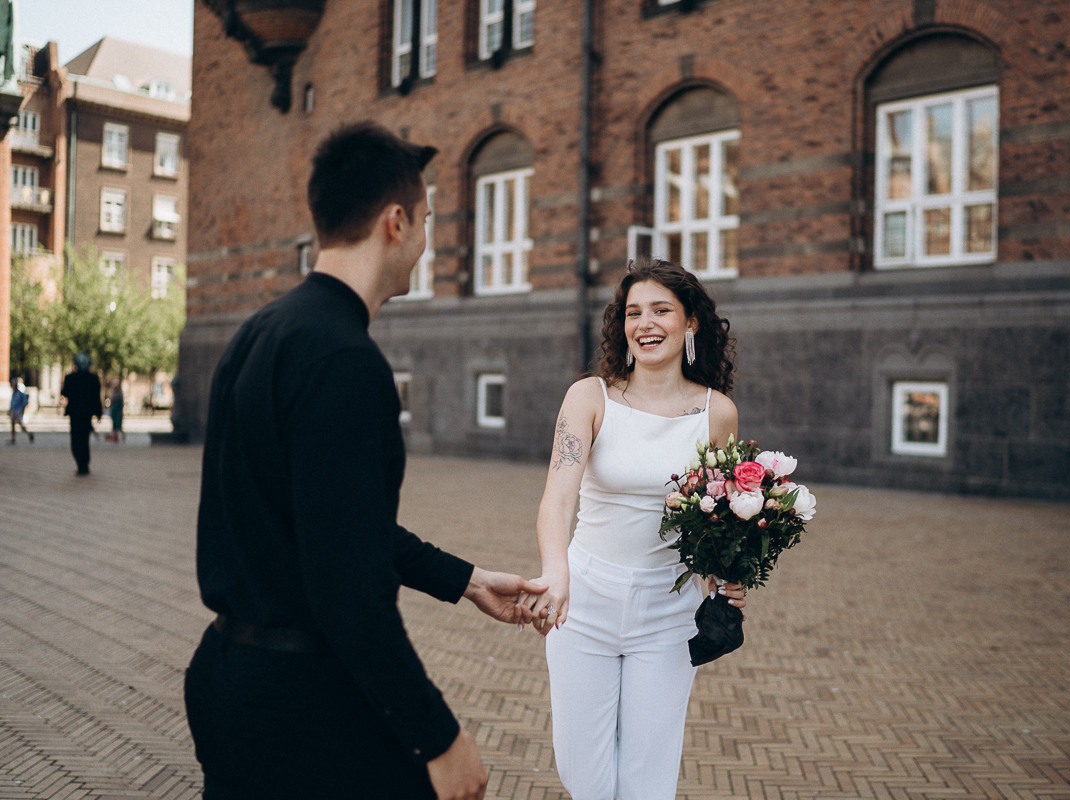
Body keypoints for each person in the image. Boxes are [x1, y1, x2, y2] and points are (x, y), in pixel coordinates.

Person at [184, 122, 547, 800]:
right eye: (428, 223)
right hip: (306, 712)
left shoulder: (260, 333)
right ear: (395, 222)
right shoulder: (346, 362)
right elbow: (348, 590)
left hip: (228, 681)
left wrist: (464, 579)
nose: (426, 243)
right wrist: (439, 738)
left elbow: (331, 521)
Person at [524, 257, 748, 800]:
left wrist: (724, 577)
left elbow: (714, 517)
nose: (645, 323)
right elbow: (558, 496)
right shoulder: (590, 398)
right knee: (587, 778)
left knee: (647, 783)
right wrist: (556, 573)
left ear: (691, 321)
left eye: (661, 310)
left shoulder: (716, 414)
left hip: (666, 611)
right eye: (633, 312)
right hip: (583, 601)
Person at [60, 353, 102, 474]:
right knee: (84, 439)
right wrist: (98, 413)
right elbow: (96, 397)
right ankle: (84, 464)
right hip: (86, 414)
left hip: (75, 414)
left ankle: (81, 464)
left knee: (76, 440)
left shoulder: (70, 378)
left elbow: (64, 392)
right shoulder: (93, 379)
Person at [8, 376, 33, 444]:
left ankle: (29, 433)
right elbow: (12, 402)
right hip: (14, 411)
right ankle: (13, 438)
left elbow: (24, 403)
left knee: (20, 425)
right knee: (12, 424)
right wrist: (10, 410)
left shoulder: (20, 394)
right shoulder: (14, 393)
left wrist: (22, 411)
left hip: (18, 411)